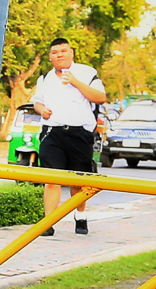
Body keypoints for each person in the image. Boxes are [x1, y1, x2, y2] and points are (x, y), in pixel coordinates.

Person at [30, 36, 107, 236]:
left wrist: (75, 82)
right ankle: (48, 222)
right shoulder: (44, 78)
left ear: (71, 53)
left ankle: (80, 216)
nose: (59, 55)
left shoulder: (87, 72)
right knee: (51, 178)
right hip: (52, 133)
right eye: (55, 53)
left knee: (77, 180)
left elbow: (100, 97)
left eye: (63, 51)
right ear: (50, 57)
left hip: (80, 133)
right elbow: (36, 102)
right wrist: (41, 110)